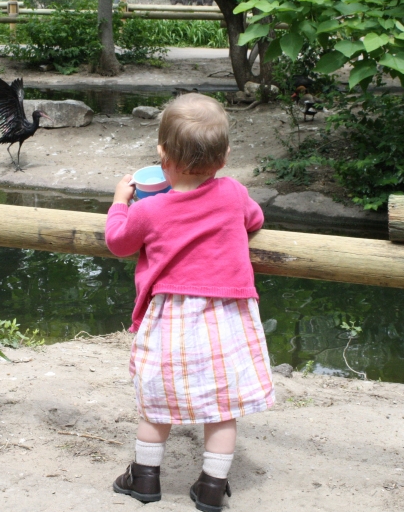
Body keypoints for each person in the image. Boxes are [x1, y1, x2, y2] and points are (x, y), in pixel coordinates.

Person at [105, 93, 274, 512]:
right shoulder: (233, 192)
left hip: (172, 319)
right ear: (225, 156)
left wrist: (119, 202)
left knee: (156, 401)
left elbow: (119, 242)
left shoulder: (151, 209)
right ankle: (212, 487)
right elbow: (255, 220)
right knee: (222, 408)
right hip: (227, 318)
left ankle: (145, 479)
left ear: (161, 155)